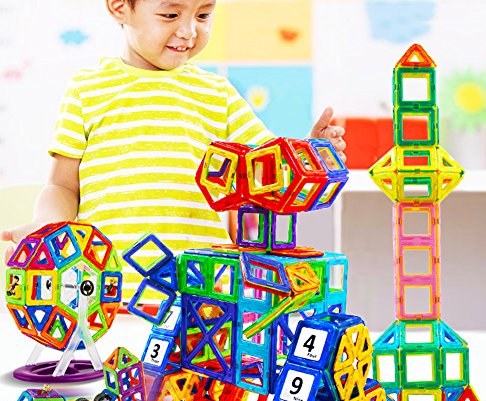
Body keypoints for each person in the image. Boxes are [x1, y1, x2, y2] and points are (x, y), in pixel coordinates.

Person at [0, 0, 346, 301]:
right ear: (119, 6)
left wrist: (310, 154)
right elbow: (62, 186)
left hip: (206, 295)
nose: (189, 31)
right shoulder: (87, 89)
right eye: (170, 14)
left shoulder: (218, 93)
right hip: (109, 294)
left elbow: (270, 168)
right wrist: (48, 229)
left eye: (203, 15)